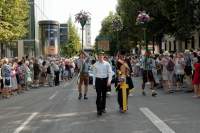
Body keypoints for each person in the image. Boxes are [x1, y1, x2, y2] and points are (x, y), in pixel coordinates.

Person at [93, 51, 112, 116]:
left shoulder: (107, 64)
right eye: (99, 55)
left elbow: (110, 72)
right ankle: (99, 109)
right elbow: (94, 75)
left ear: (103, 56)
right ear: (98, 56)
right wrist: (93, 83)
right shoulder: (95, 64)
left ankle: (103, 108)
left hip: (104, 80)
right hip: (98, 81)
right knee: (98, 95)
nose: (100, 57)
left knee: (104, 95)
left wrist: (109, 81)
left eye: (102, 55)